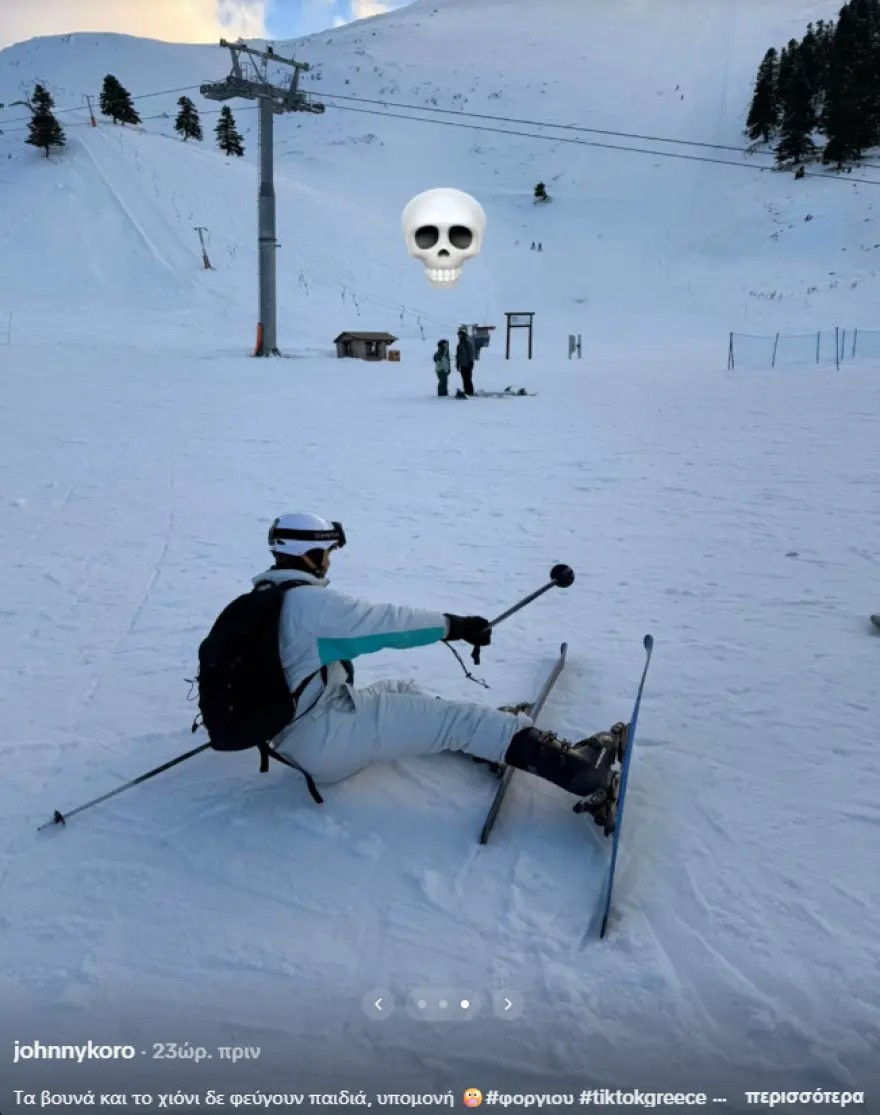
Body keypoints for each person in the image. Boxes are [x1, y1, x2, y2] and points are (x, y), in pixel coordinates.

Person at [255, 512, 623, 821]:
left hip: (295, 740)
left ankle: (482, 741)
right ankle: (581, 769)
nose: (329, 560)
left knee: (400, 691)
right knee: (460, 720)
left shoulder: (259, 602)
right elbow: (386, 623)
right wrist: (456, 626)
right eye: (327, 552)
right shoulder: (311, 606)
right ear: (310, 554)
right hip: (329, 738)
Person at [455, 327, 476, 396]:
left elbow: (471, 353)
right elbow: (458, 356)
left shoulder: (467, 343)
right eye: (458, 335)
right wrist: (457, 364)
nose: (459, 336)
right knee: (464, 378)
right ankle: (466, 390)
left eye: (460, 335)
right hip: (462, 365)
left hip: (468, 364)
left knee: (468, 378)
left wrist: (471, 362)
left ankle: (470, 391)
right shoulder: (459, 344)